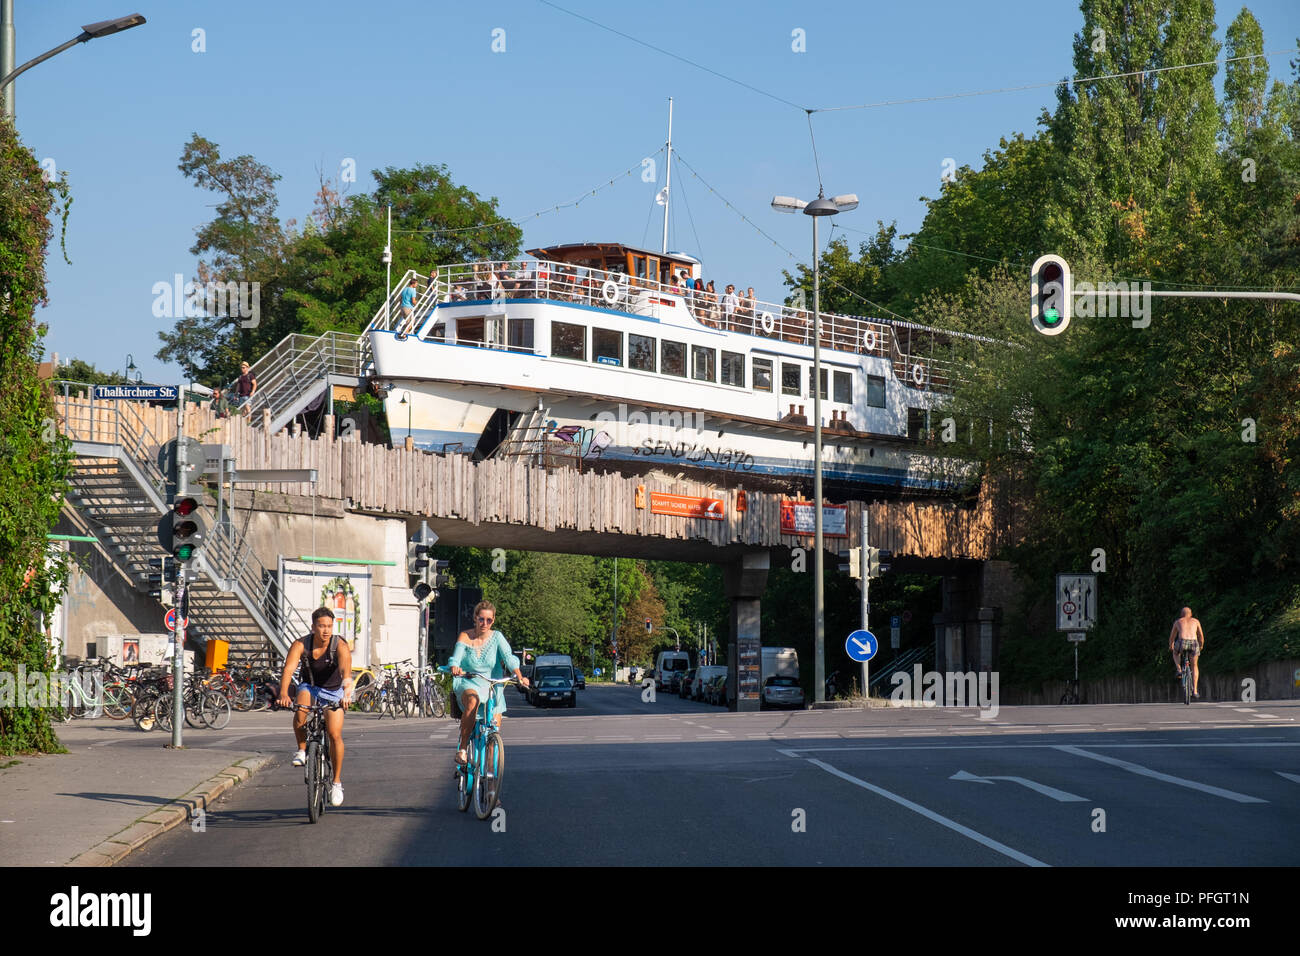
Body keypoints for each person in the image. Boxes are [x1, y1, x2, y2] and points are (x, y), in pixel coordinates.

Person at [279, 607, 353, 806]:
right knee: (300, 710)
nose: (326, 630)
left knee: (334, 733)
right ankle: (302, 750)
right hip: (310, 686)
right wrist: (284, 693)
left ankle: (336, 782)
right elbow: (289, 669)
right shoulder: (301, 644)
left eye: (329, 626)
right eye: (321, 626)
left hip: (334, 690)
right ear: (313, 627)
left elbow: (346, 670)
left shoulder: (340, 645)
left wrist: (347, 693)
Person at [448, 600, 529, 766]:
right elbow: (456, 657)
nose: (485, 623)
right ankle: (462, 749)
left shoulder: (497, 637)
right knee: (473, 700)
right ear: (475, 618)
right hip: (469, 681)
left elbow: (508, 657)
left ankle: (491, 786)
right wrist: (455, 666)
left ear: (493, 620)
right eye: (481, 619)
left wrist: (520, 676)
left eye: (489, 620)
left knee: (494, 736)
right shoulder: (465, 636)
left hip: (492, 685)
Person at [1169, 606, 1205, 699]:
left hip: (1182, 642)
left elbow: (1172, 636)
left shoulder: (1178, 621)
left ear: (1181, 614)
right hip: (1193, 642)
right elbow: (1201, 635)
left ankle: (1179, 670)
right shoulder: (1196, 621)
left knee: (1175, 653)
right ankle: (1195, 691)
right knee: (1194, 666)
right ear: (1191, 614)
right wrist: (1201, 645)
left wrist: (1171, 645)